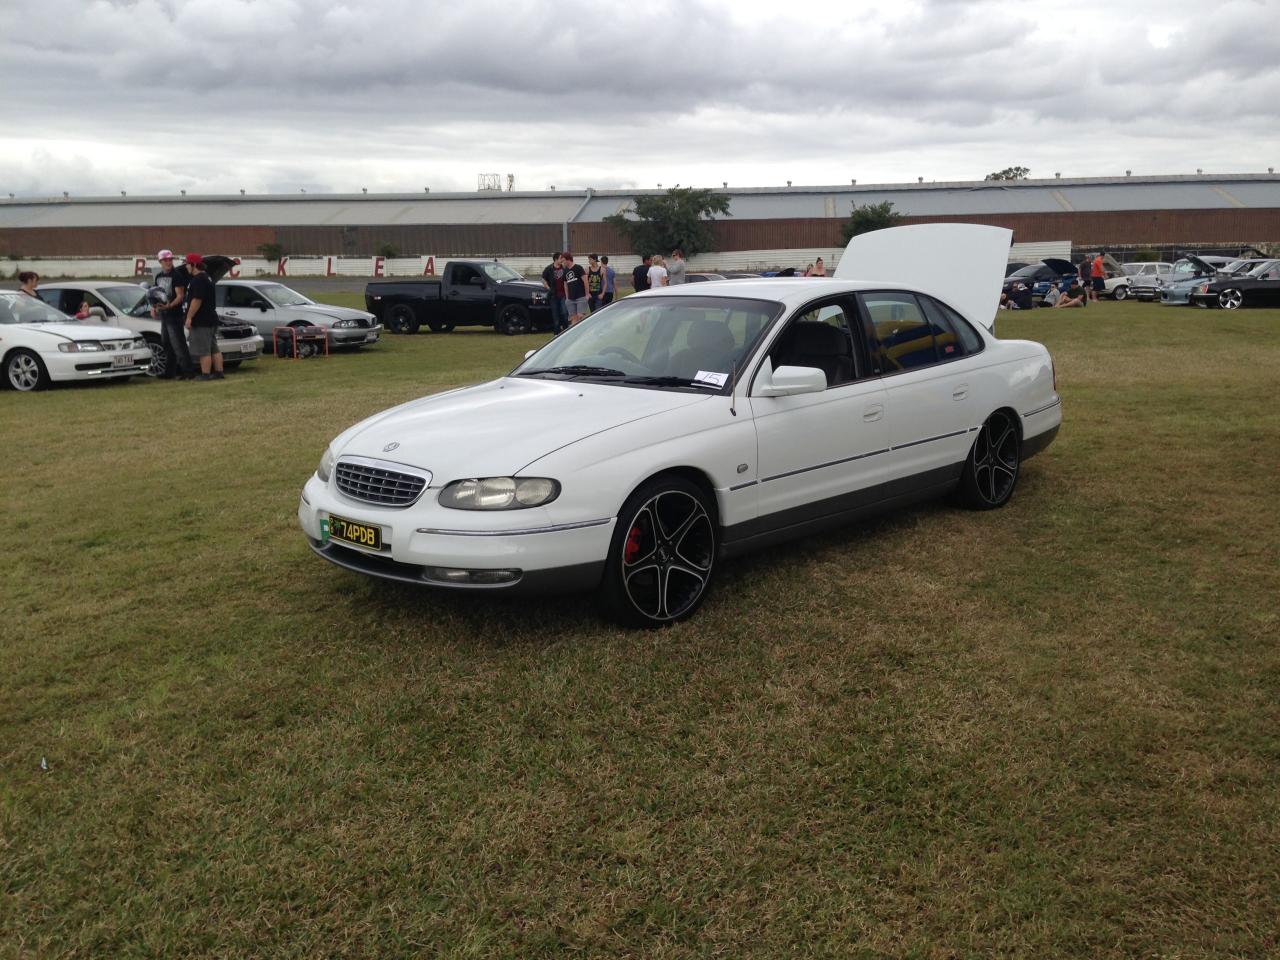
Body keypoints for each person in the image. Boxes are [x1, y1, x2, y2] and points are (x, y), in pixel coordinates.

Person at [151, 248, 194, 379]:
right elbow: (155, 294)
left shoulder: (176, 276)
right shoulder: (159, 277)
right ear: (160, 261)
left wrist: (169, 305)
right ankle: (170, 372)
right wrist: (154, 307)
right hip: (164, 315)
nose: (168, 262)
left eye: (170, 260)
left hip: (174, 315)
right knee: (166, 343)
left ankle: (188, 372)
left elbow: (180, 296)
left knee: (179, 344)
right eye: (165, 260)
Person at [183, 254, 224, 379]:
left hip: (202, 320)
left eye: (187, 263)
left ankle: (205, 374)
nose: (186, 266)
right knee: (213, 347)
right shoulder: (207, 277)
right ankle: (218, 372)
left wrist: (189, 317)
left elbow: (197, 300)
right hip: (211, 318)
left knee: (203, 349)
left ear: (194, 265)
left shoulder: (198, 279)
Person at [540, 252, 568, 333]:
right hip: (554, 296)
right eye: (560, 258)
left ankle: (566, 331)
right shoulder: (549, 268)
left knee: (564, 313)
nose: (562, 260)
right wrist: (548, 287)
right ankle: (557, 333)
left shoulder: (564, 268)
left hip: (563, 295)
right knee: (555, 316)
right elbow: (543, 278)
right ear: (556, 259)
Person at [562, 253, 589, 326]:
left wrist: (587, 294)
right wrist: (567, 298)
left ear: (568, 260)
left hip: (581, 297)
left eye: (564, 260)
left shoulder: (578, 268)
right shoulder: (565, 270)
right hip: (570, 298)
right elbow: (565, 285)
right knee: (573, 318)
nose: (563, 262)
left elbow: (585, 281)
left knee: (581, 316)